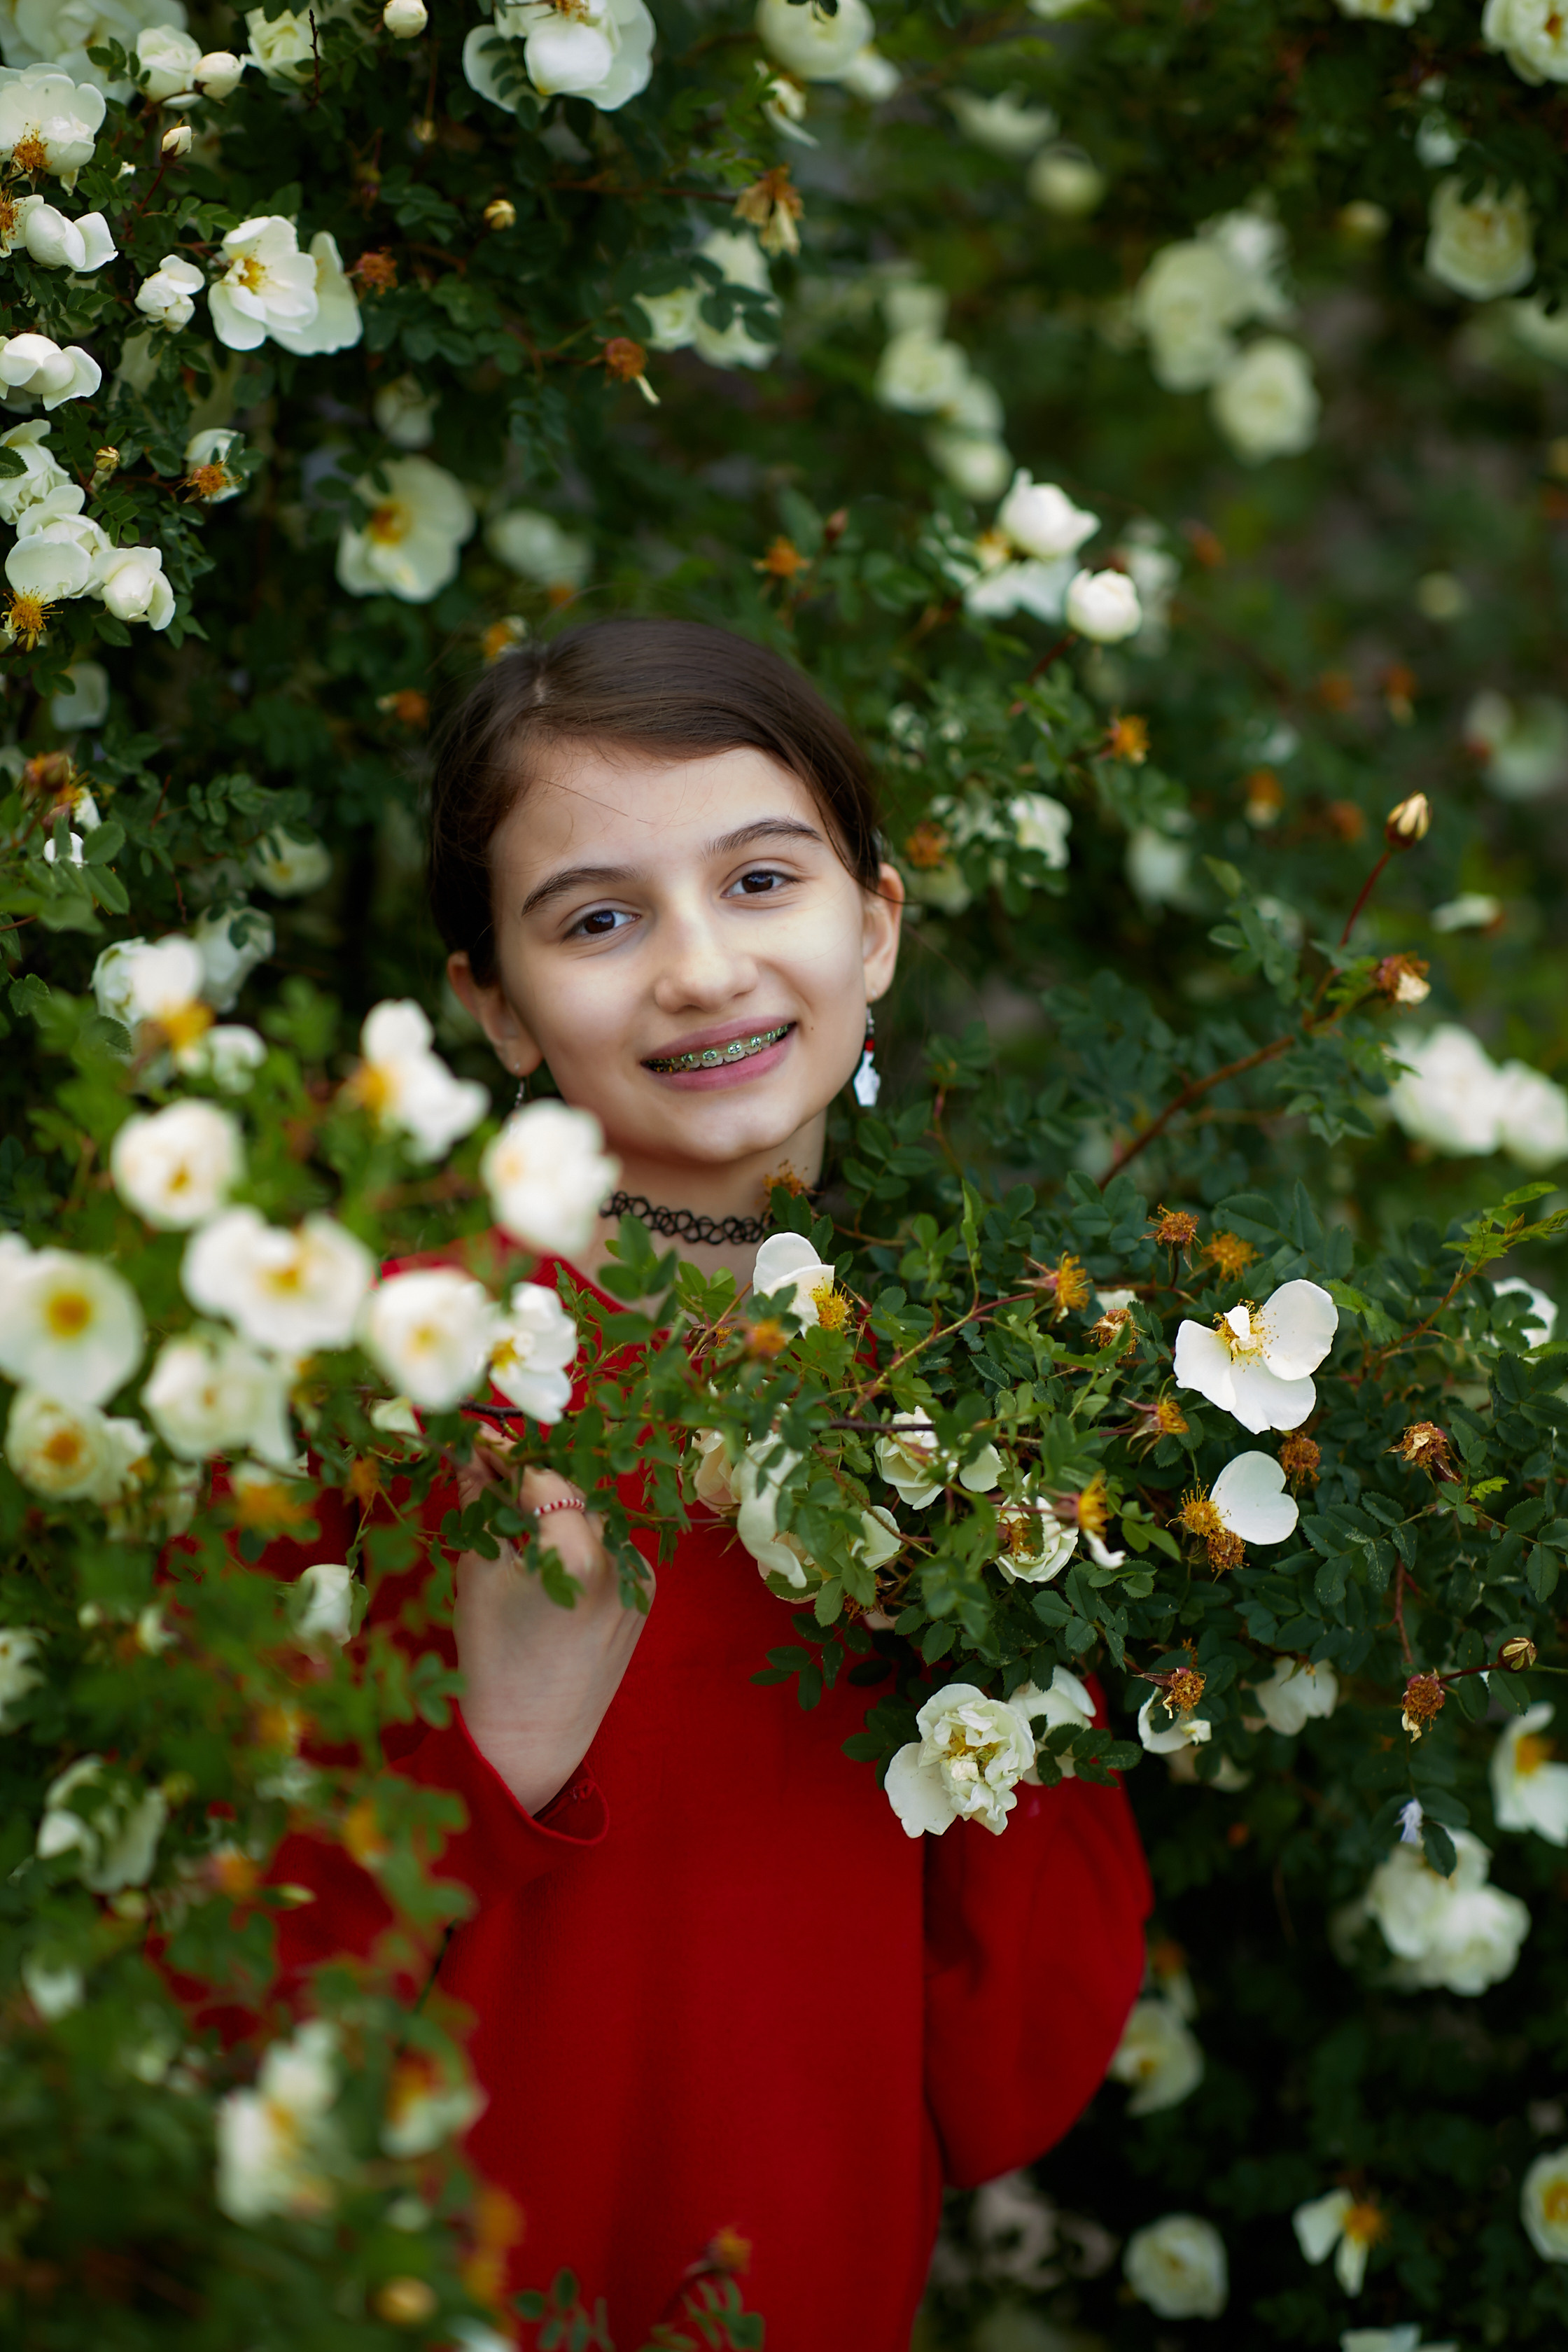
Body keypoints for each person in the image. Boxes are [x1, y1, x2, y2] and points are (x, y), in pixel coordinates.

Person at [270, 619, 1151, 2348]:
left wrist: (997, 1634)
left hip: (803, 2282)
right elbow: (205, 2003)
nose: (698, 968)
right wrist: (489, 1755)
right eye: (597, 918)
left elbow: (1009, 2068)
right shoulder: (382, 1368)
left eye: (760, 879)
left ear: (873, 923)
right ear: (495, 1008)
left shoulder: (962, 1401)